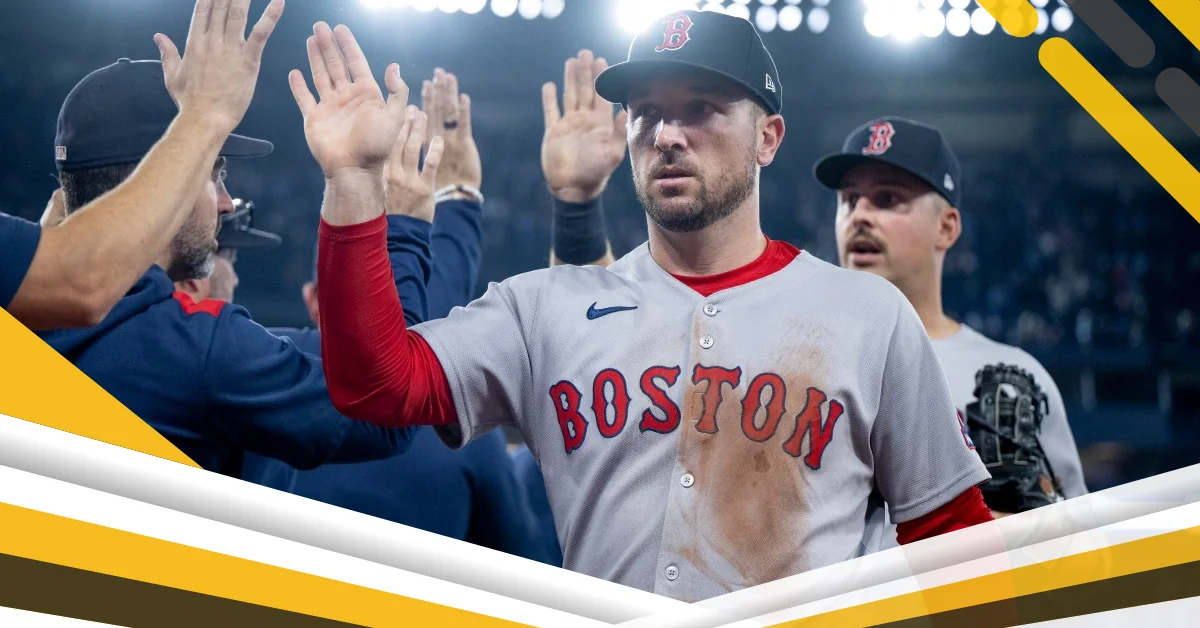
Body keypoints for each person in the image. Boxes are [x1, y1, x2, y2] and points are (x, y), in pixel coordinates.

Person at [303, 13, 994, 601]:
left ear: (768, 137)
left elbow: (952, 536)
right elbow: (375, 387)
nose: (667, 134)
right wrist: (353, 183)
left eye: (701, 108)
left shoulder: (868, 315)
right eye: (647, 113)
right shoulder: (541, 309)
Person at [36, 7, 419, 473]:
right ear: (168, 179)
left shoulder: (20, 304)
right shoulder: (200, 352)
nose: (224, 202)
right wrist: (378, 203)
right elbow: (388, 411)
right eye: (214, 174)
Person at [231, 72, 548, 562]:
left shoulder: (250, 376)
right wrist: (454, 202)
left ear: (316, 298)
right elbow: (526, 563)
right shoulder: (454, 418)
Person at [813, 116, 1088, 538]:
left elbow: (1075, 543)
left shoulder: (1014, 376)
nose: (860, 215)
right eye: (849, 199)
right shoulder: (795, 361)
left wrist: (1004, 526)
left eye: (887, 198)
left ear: (946, 227)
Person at [0, 0, 284, 331]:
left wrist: (35, 265)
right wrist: (203, 118)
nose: (226, 203)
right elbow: (82, 283)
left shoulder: (28, 332)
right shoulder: (200, 345)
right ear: (145, 185)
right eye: (209, 174)